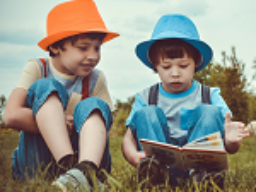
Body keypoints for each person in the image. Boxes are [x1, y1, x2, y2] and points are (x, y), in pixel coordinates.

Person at [122, 14, 249, 188]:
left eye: (183, 66)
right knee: (146, 113)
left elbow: (230, 146)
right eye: (166, 67)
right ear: (155, 65)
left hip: (200, 166)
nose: (175, 73)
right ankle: (155, 175)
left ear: (196, 63)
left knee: (209, 111)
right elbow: (128, 138)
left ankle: (204, 178)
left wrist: (232, 142)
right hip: (160, 165)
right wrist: (132, 156)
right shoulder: (146, 97)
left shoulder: (210, 95)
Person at [3, 0, 119, 191]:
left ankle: (86, 171)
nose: (93, 55)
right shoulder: (38, 68)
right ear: (56, 46)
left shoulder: (96, 78)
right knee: (46, 86)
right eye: (84, 47)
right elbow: (11, 115)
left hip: (85, 155)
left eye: (97, 48)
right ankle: (69, 166)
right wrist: (55, 123)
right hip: (37, 164)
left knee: (94, 105)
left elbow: (103, 122)